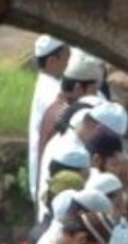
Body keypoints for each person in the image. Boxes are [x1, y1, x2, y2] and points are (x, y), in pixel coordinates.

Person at [37, 49, 103, 177]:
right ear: (78, 88)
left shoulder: (58, 107)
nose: (95, 97)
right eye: (93, 91)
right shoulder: (68, 114)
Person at [28, 36, 70, 202]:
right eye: (67, 57)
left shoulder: (48, 85)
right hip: (51, 179)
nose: (70, 62)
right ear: (53, 61)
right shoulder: (53, 95)